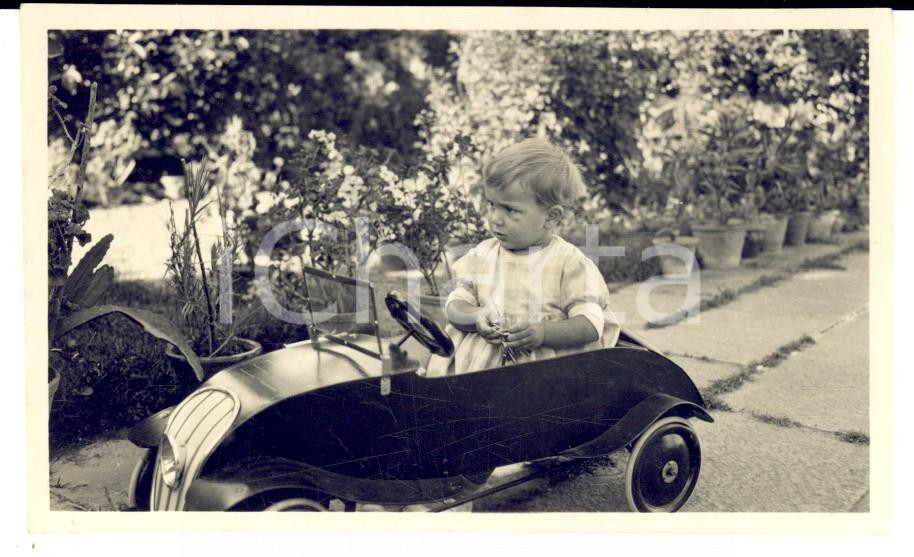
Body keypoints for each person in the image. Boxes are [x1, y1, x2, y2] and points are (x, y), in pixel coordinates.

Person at [426, 138, 619, 376]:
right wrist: (475, 316)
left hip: (542, 378)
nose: (495, 218)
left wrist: (543, 332)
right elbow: (454, 305)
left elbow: (590, 324)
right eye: (491, 205)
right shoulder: (482, 256)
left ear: (550, 217)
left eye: (509, 209)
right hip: (478, 372)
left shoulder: (569, 264)